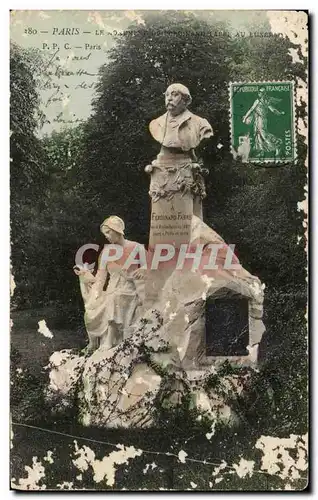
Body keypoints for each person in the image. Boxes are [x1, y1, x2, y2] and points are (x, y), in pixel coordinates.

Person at [74, 216, 144, 352]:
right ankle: (100, 340)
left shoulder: (137, 248)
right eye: (105, 233)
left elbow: (149, 269)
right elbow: (101, 276)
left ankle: (110, 339)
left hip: (131, 288)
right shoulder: (106, 251)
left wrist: (143, 270)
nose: (106, 236)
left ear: (117, 230)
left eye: (108, 232)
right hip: (113, 288)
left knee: (114, 299)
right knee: (96, 305)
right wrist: (89, 282)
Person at [242, 87, 285, 157]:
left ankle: (277, 145)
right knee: (258, 134)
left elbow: (272, 109)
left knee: (264, 134)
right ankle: (261, 151)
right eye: (260, 92)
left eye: (262, 92)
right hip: (257, 120)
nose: (260, 93)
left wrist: (280, 113)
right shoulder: (259, 101)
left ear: (264, 93)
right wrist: (246, 117)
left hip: (262, 120)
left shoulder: (263, 101)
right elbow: (251, 110)